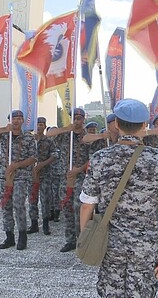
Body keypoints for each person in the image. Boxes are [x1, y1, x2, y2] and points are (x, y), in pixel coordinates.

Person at [79, 98, 158, 297]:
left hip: (110, 242)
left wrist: (87, 237)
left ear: (116, 124)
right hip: (146, 244)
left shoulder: (100, 158)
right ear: (144, 125)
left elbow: (87, 206)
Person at [0, 110, 37, 250]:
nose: (17, 121)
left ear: (23, 121)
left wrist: (17, 165)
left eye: (20, 118)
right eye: (14, 118)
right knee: (6, 205)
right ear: (10, 120)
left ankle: (22, 235)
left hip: (21, 175)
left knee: (19, 204)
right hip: (5, 175)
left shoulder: (28, 137)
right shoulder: (4, 135)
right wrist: (3, 129)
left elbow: (33, 158)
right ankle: (9, 236)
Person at [46, 108, 90, 253]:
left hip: (81, 178)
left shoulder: (87, 136)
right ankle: (70, 240)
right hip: (65, 178)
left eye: (80, 118)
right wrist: (66, 128)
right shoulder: (65, 135)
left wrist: (78, 169)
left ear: (84, 119)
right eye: (75, 118)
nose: (77, 121)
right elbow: (49, 134)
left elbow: (92, 159)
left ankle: (82, 240)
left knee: (79, 208)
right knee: (67, 208)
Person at [30, 117, 57, 235]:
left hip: (45, 174)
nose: (39, 126)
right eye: (37, 124)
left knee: (45, 199)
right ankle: (34, 223)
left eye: (42, 124)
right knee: (32, 199)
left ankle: (45, 224)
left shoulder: (49, 141)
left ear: (45, 126)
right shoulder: (30, 140)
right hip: (31, 174)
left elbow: (54, 155)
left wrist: (42, 164)